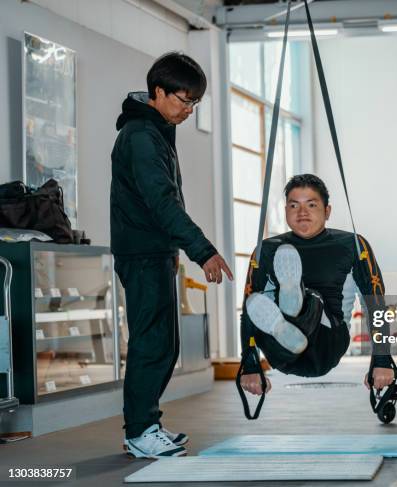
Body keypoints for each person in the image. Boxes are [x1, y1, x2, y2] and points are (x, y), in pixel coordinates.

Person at [110, 52, 233, 459]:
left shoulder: (156, 130)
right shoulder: (142, 137)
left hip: (155, 251)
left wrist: (175, 251)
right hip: (143, 253)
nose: (188, 110)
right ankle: (140, 432)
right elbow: (163, 204)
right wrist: (203, 251)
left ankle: (147, 425)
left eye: (194, 103)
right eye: (183, 101)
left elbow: (162, 205)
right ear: (158, 93)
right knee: (152, 344)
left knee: (164, 344)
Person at [239, 174, 394, 396]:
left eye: (311, 204)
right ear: (285, 211)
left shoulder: (352, 245)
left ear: (327, 211)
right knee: (259, 303)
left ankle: (297, 304)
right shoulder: (268, 249)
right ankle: (289, 315)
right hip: (280, 353)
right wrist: (250, 365)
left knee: (306, 300)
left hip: (326, 343)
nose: (302, 212)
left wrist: (382, 359)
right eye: (294, 205)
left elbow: (375, 304)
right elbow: (249, 311)